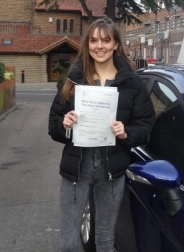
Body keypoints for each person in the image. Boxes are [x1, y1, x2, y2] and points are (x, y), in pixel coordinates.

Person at [48, 17, 155, 252]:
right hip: (76, 170)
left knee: (105, 241)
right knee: (67, 243)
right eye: (94, 40)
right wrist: (65, 125)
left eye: (106, 40)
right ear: (87, 45)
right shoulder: (74, 81)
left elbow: (146, 125)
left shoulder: (132, 83)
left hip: (111, 171)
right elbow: (53, 125)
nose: (100, 46)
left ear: (116, 44)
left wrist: (126, 132)